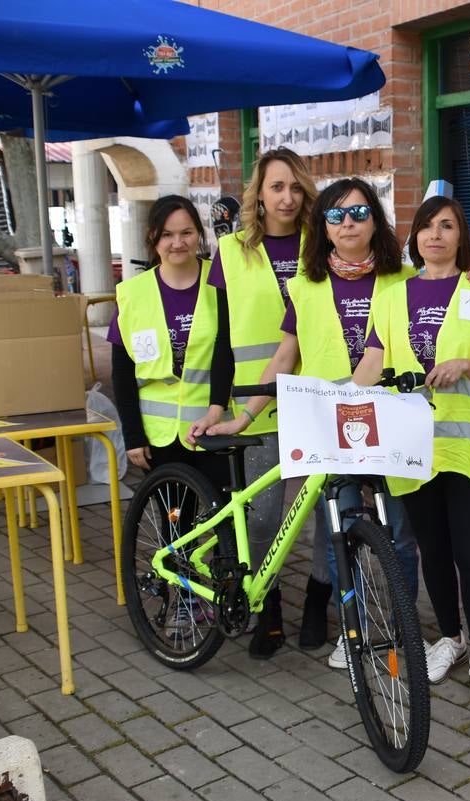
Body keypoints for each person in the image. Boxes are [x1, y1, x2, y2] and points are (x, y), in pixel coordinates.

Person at [199, 177, 420, 665]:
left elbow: (445, 295)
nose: (348, 224)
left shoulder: (404, 281)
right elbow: (284, 356)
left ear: (375, 221)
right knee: (339, 529)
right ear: (322, 226)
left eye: (359, 213)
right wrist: (244, 417)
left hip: (391, 423)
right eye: (336, 215)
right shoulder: (305, 284)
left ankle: (401, 628)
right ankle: (354, 629)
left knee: (399, 531)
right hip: (330, 428)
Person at [354, 196, 470, 705]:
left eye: (446, 226)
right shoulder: (390, 296)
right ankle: (449, 638)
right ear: (415, 237)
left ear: (459, 237)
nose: (435, 235)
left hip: (469, 447)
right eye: (426, 225)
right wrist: (342, 401)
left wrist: (466, 365)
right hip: (413, 445)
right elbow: (373, 361)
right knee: (435, 551)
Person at [196, 148, 316, 659]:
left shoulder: (325, 240)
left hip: (317, 397)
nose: (286, 197)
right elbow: (223, 337)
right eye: (276, 187)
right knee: (262, 516)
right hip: (257, 402)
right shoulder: (231, 251)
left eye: (294, 187)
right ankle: (265, 611)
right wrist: (218, 404)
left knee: (324, 508)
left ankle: (318, 603)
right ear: (259, 195)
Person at [108, 194, 229, 488]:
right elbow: (122, 373)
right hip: (158, 435)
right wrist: (133, 437)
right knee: (175, 522)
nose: (178, 242)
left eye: (186, 233)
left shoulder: (220, 284)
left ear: (198, 234)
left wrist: (216, 408)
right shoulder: (133, 294)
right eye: (167, 235)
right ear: (153, 237)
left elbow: (227, 352)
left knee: (223, 521)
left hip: (212, 428)